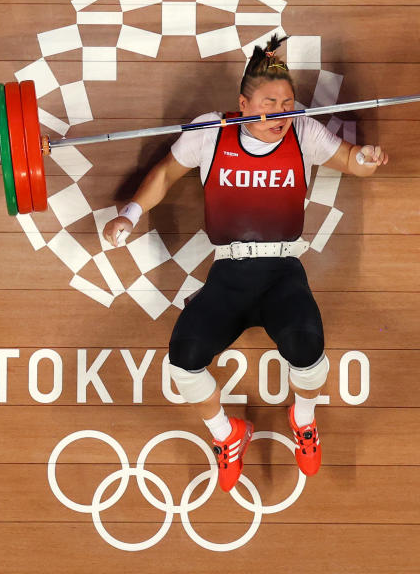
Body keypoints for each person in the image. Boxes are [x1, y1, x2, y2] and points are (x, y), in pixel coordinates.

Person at [102, 35, 388, 492]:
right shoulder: (210, 132)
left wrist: (368, 159)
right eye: (270, 102)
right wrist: (129, 214)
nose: (282, 112)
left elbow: (352, 162)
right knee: (183, 362)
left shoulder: (303, 132)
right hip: (229, 276)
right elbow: (164, 174)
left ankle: (304, 418)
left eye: (289, 102)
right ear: (243, 103)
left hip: (282, 273)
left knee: (310, 355)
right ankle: (226, 434)